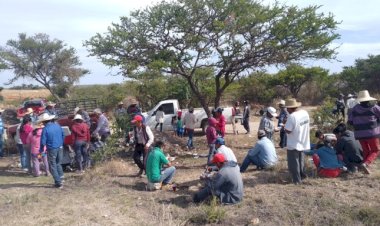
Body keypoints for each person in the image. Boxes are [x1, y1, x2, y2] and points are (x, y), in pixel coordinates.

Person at [348, 90, 380, 174]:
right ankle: (366, 164)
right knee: (376, 150)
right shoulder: (374, 107)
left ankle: (363, 165)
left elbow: (350, 121)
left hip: (359, 133)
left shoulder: (355, 108)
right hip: (372, 133)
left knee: (366, 150)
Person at [284, 98, 310, 184]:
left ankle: (296, 181)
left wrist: (284, 124)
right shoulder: (304, 113)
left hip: (294, 143)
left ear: (290, 108)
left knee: (293, 164)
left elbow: (288, 130)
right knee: (300, 161)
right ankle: (302, 176)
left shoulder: (292, 116)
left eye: (287, 108)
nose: (287, 109)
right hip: (303, 141)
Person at [39, 113, 65, 188]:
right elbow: (63, 135)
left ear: (44, 122)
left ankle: (58, 182)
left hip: (52, 148)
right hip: (60, 147)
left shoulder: (45, 129)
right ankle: (61, 177)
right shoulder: (57, 126)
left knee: (52, 165)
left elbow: (43, 141)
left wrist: (41, 150)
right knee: (58, 163)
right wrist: (61, 143)